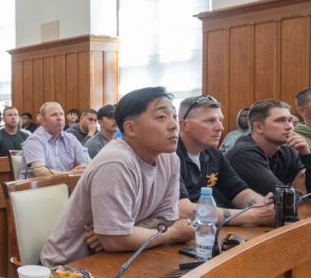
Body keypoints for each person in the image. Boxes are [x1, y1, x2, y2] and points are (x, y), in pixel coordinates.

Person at [40, 87, 195, 266]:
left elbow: (166, 219)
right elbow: (116, 240)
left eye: (173, 116)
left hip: (124, 256)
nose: (174, 125)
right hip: (69, 266)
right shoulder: (116, 161)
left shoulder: (170, 159)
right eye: (161, 117)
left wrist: (126, 233)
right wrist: (172, 233)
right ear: (130, 128)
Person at [174, 95, 274, 225]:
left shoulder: (214, 155)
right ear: (185, 125)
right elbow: (183, 210)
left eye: (220, 120)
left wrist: (263, 205)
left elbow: (238, 191)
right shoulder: (169, 156)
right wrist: (251, 216)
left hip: (204, 231)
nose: (220, 127)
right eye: (210, 121)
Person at [226, 99, 311, 198]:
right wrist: (300, 192)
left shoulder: (286, 151)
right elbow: (283, 199)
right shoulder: (243, 154)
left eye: (290, 120)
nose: (290, 126)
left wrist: (307, 154)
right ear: (258, 127)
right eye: (280, 120)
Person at [19, 102, 86, 179]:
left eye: (61, 114)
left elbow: (86, 162)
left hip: (64, 186)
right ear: (43, 120)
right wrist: (70, 174)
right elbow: (40, 172)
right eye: (54, 115)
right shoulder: (34, 140)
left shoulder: (70, 138)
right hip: (37, 188)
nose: (59, 118)